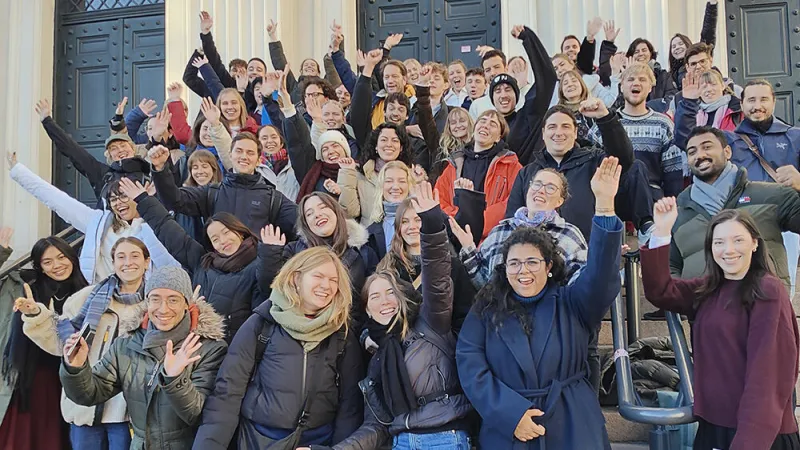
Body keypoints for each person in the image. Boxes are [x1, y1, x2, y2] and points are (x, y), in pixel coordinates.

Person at [457, 157, 624, 449]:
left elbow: (599, 279)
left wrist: (605, 207)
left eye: (532, 262)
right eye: (514, 263)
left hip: (572, 422)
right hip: (509, 429)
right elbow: (471, 364)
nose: (523, 270)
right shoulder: (486, 308)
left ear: (549, 266)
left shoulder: (572, 302)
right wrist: (510, 415)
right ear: (504, 268)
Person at [641, 200, 800, 450]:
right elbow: (660, 290)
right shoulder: (709, 289)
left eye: (738, 240)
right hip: (713, 429)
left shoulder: (768, 291)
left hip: (757, 434)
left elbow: (767, 376)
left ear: (755, 243)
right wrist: (662, 232)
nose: (728, 250)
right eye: (719, 242)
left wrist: (748, 442)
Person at [192, 247, 364, 449]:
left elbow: (350, 405)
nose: (326, 285)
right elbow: (227, 392)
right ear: (295, 279)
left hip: (317, 441)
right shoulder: (261, 324)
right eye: (318, 276)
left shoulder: (341, 333)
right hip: (260, 439)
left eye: (334, 280)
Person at [60, 266, 228, 450]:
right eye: (155, 299)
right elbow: (89, 394)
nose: (163, 309)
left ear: (187, 304)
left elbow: (197, 415)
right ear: (146, 302)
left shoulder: (208, 348)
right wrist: (76, 368)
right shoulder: (127, 344)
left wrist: (175, 378)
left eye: (173, 300)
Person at [20, 237, 151, 450]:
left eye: (135, 256)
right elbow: (60, 343)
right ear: (113, 262)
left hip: (127, 410)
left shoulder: (156, 302)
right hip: (86, 406)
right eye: (121, 257)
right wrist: (36, 314)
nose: (128, 262)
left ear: (146, 262)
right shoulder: (86, 298)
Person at [122, 178, 271, 340]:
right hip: (193, 345)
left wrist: (272, 252)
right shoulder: (203, 262)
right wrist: (144, 200)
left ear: (240, 232)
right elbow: (167, 228)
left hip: (234, 349)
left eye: (226, 232)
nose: (223, 241)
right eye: (215, 239)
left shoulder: (259, 264)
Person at [7, 152, 179, 283]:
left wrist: (148, 206)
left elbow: (173, 265)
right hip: (105, 299)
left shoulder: (158, 223)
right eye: (113, 199)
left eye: (124, 196)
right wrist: (18, 172)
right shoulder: (99, 222)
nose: (118, 203)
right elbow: (57, 200)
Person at [505, 101, 645, 242]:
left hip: (588, 253)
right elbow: (512, 219)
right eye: (552, 127)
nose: (558, 133)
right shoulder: (526, 173)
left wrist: (605, 118)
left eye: (565, 126)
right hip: (537, 257)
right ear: (543, 133)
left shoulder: (594, 161)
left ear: (575, 132)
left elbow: (623, 159)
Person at [0, 230, 87, 450]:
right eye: (47, 261)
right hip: (35, 377)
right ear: (39, 266)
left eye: (61, 257)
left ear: (72, 257)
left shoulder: (88, 290)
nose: (57, 265)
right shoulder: (29, 289)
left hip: (74, 377)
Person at [451, 168, 587, 288]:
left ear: (560, 201)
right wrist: (469, 248)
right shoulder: (500, 230)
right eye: (537, 184)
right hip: (500, 313)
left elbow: (579, 287)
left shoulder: (569, 234)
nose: (541, 190)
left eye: (550, 188)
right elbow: (484, 284)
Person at [259, 192, 378, 329]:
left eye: (323, 207)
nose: (317, 214)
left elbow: (370, 301)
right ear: (306, 224)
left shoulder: (364, 252)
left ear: (335, 211)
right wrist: (270, 254)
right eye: (309, 214)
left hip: (346, 332)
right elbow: (270, 290)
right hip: (301, 329)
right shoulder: (294, 251)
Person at [150, 137, 298, 239]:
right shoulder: (212, 192)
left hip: (255, 273)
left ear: (259, 160)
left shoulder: (273, 199)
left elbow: (302, 221)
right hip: (217, 270)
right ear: (230, 155)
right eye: (239, 151)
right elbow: (174, 200)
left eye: (250, 153)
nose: (244, 156)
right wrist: (160, 169)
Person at [379, 197, 477, 332]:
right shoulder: (387, 266)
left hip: (438, 346)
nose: (412, 227)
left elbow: (465, 316)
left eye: (418, 220)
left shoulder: (451, 266)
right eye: (404, 221)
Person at [588, 63, 685, 198]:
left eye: (642, 79)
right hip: (611, 197)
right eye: (630, 79)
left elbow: (672, 174)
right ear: (621, 87)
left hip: (651, 198)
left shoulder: (664, 124)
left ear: (651, 87)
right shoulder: (603, 125)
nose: (636, 83)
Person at [35, 99, 153, 202]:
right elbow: (73, 150)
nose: (120, 150)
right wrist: (47, 121)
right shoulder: (103, 174)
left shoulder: (150, 171)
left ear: (133, 148)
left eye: (123, 145)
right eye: (114, 149)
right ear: (110, 156)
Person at [435, 110, 522, 240]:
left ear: (499, 137)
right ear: (475, 128)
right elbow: (439, 198)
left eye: (493, 124)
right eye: (482, 120)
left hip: (491, 238)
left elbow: (512, 201)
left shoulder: (511, 165)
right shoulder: (454, 164)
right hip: (452, 236)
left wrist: (478, 223)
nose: (485, 125)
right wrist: (457, 222)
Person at [495, 25, 559, 166]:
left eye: (508, 90)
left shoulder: (528, 115)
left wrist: (528, 38)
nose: (503, 95)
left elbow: (547, 77)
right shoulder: (485, 124)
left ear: (517, 95)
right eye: (498, 91)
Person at [337, 122, 414, 224]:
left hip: (402, 235)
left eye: (395, 140)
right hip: (371, 236)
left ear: (401, 148)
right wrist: (347, 172)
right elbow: (349, 212)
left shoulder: (412, 175)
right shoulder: (361, 174)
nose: (389, 144)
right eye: (383, 140)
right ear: (376, 146)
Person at [673, 70, 743, 151]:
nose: (709, 89)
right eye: (704, 86)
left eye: (713, 84)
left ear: (723, 86)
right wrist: (689, 103)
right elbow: (683, 140)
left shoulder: (738, 110)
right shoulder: (691, 111)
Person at [668, 1, 719, 90]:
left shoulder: (699, 55)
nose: (677, 48)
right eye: (674, 46)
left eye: (681, 43)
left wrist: (712, 6)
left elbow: (708, 34)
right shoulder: (671, 74)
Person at [550, 52, 621, 108]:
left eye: (562, 64)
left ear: (571, 64)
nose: (560, 70)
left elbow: (609, 101)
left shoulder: (591, 81)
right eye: (555, 68)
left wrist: (615, 75)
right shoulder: (553, 90)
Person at [257, 124, 300, 199]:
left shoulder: (294, 162)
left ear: (281, 143)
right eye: (264, 138)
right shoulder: (254, 168)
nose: (270, 141)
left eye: (274, 137)